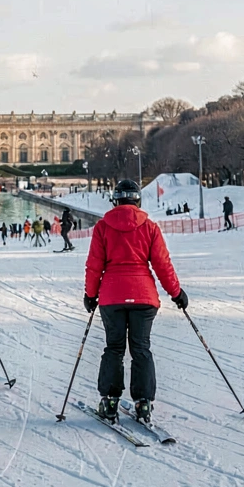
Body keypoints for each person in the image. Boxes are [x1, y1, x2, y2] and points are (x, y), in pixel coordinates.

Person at [82, 179, 186, 425]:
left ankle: (110, 400)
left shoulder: (103, 228)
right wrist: (176, 292)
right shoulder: (149, 227)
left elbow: (94, 265)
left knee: (114, 347)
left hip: (112, 296)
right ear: (138, 200)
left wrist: (90, 294)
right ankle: (143, 402)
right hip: (143, 296)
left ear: (115, 201)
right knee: (141, 348)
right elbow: (162, 264)